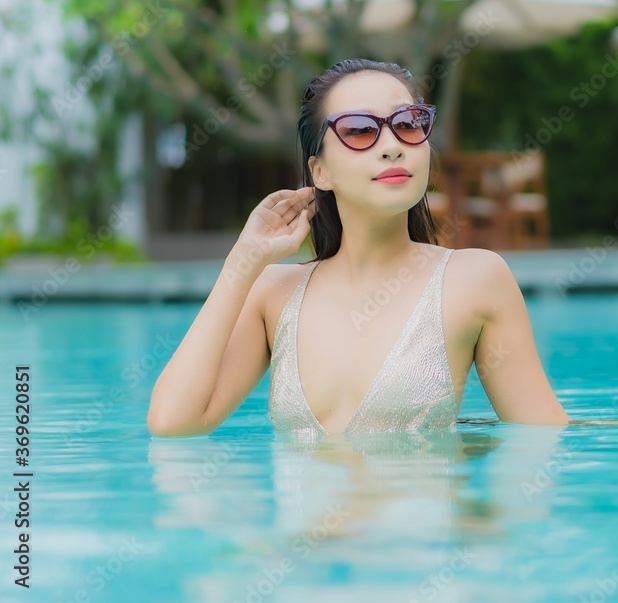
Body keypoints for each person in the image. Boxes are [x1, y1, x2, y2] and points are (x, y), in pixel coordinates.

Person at [147, 58, 569, 438]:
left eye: (407, 122)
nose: (391, 145)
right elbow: (173, 423)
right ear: (321, 171)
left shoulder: (475, 280)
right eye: (360, 130)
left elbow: (540, 443)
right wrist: (243, 263)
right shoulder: (273, 293)